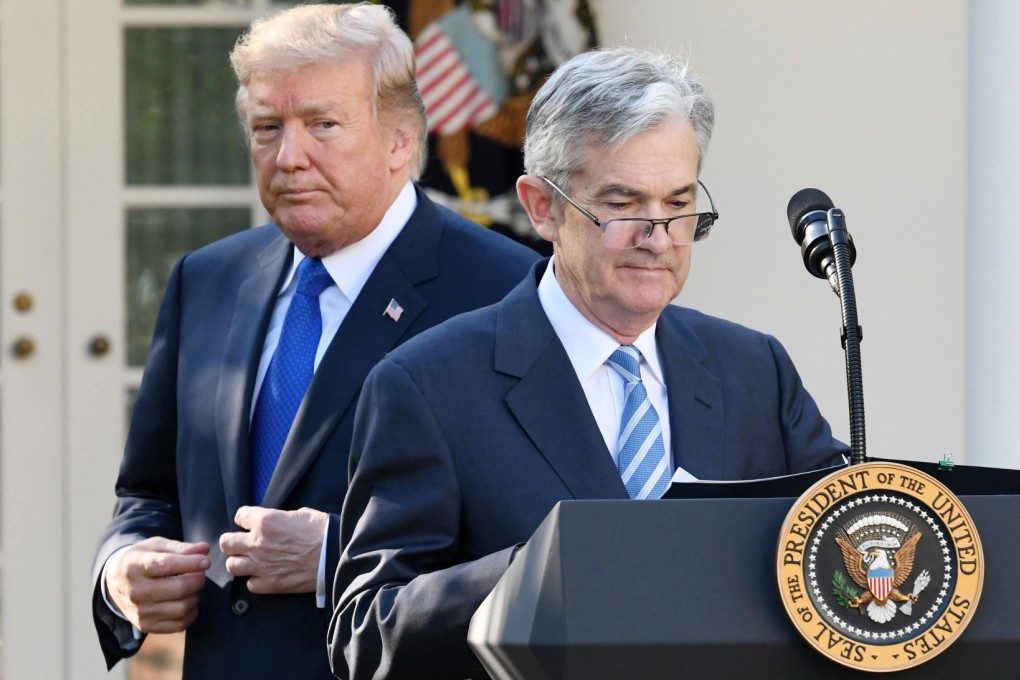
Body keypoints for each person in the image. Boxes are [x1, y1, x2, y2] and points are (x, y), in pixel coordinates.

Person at [329, 46, 849, 680]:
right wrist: (537, 572)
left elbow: (839, 546)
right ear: (541, 207)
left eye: (678, 204)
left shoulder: (753, 369)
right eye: (623, 203)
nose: (658, 237)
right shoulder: (427, 385)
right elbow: (366, 635)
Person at [91, 4, 539, 678]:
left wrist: (337, 556)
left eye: (323, 125)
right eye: (267, 128)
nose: (289, 156)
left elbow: (534, 547)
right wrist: (120, 569)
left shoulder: (506, 292)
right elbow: (147, 495)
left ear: (401, 139)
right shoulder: (207, 281)